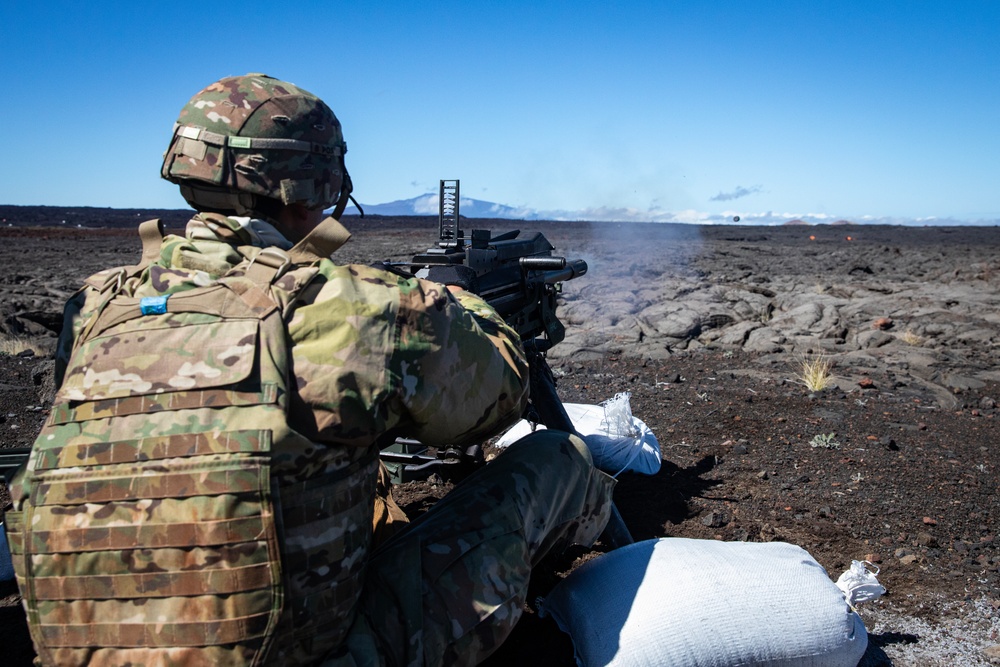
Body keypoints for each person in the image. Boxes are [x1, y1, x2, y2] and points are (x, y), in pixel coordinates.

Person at [5, 73, 614, 666]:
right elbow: (498, 397)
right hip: (313, 651)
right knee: (559, 460)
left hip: (83, 652)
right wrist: (456, 304)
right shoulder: (353, 305)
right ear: (318, 182)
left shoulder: (96, 307)